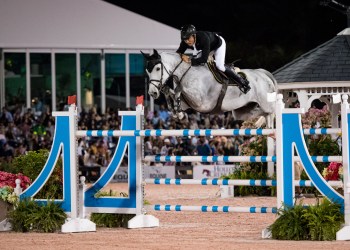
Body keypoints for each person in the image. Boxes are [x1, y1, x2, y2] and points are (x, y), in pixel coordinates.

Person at [176, 24, 250, 94]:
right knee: (196, 64)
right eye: (184, 39)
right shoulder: (185, 42)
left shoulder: (203, 38)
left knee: (219, 66)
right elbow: (178, 53)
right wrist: (181, 55)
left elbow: (203, 60)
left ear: (194, 35)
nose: (187, 41)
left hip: (218, 45)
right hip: (205, 48)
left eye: (188, 38)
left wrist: (189, 59)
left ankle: (241, 81)